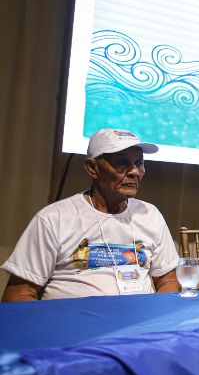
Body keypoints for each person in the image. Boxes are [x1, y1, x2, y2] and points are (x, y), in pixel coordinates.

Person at [1, 129, 180, 301]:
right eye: (122, 164)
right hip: (74, 326)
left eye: (139, 163)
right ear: (92, 168)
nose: (134, 172)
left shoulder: (150, 214)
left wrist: (155, 319)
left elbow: (168, 281)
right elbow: (20, 293)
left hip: (138, 325)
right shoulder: (54, 218)